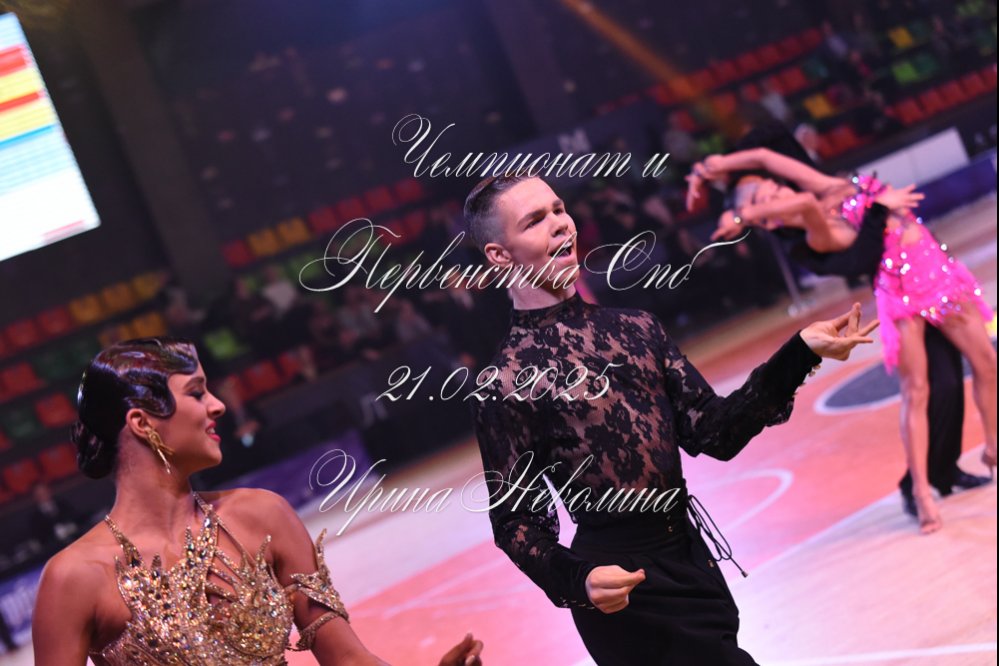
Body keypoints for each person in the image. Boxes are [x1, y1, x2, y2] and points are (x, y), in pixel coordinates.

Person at [464, 174, 878, 665]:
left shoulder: (636, 329)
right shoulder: (506, 382)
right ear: (499, 255)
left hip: (692, 562)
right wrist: (579, 579)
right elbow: (515, 522)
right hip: (623, 593)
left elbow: (714, 431)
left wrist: (799, 354)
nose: (560, 224)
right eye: (535, 221)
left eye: (558, 209)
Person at [31, 337, 484, 666]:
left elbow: (347, 659)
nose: (219, 406)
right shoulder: (75, 578)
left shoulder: (262, 516)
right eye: (196, 392)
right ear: (143, 423)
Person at [689, 146, 997, 534]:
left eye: (775, 187)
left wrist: (713, 167)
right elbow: (802, 203)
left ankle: (992, 447)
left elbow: (767, 155)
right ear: (768, 218)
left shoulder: (829, 187)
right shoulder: (818, 230)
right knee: (917, 390)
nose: (780, 190)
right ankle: (921, 491)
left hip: (939, 271)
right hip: (902, 294)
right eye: (769, 197)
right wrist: (741, 215)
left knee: (988, 363)